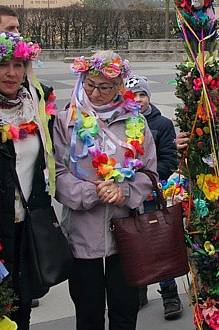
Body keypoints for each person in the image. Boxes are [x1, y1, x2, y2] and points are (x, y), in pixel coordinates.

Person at [52, 51, 157, 330]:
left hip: (127, 233)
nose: (95, 93)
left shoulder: (137, 123)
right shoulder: (67, 121)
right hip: (82, 233)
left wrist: (124, 191)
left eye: (104, 86)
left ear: (120, 86)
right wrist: (92, 193)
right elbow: (57, 175)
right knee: (88, 315)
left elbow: (149, 172)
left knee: (125, 312)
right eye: (89, 84)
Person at [0, 32, 54, 329]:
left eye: (19, 64)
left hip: (26, 229)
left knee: (20, 311)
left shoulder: (37, 104)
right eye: (3, 64)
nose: (12, 73)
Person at [124, 75, 183, 320]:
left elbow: (169, 158)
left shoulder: (162, 124)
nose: (138, 100)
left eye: (142, 95)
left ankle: (169, 293)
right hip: (127, 195)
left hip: (151, 191)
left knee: (158, 243)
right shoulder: (120, 121)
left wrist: (150, 180)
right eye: (133, 96)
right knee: (132, 243)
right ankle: (139, 289)